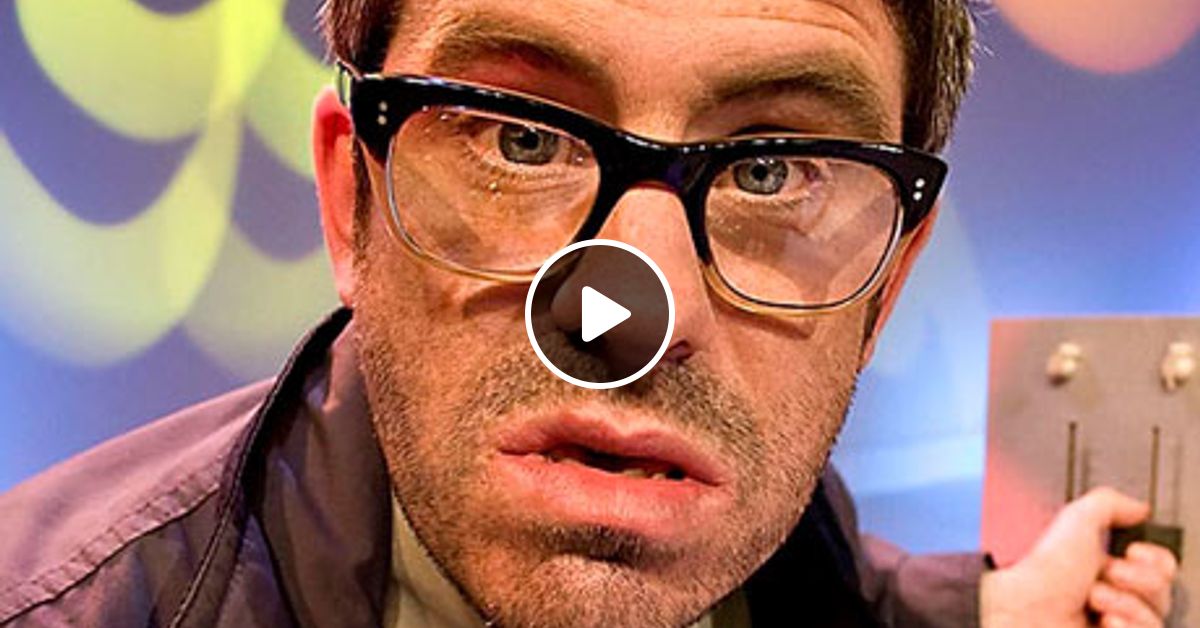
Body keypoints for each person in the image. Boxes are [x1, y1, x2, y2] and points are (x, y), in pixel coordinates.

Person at [0, 1, 1178, 626]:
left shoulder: (787, 558)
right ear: (352, 197)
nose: (629, 321)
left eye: (770, 170)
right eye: (523, 139)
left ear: (889, 279)